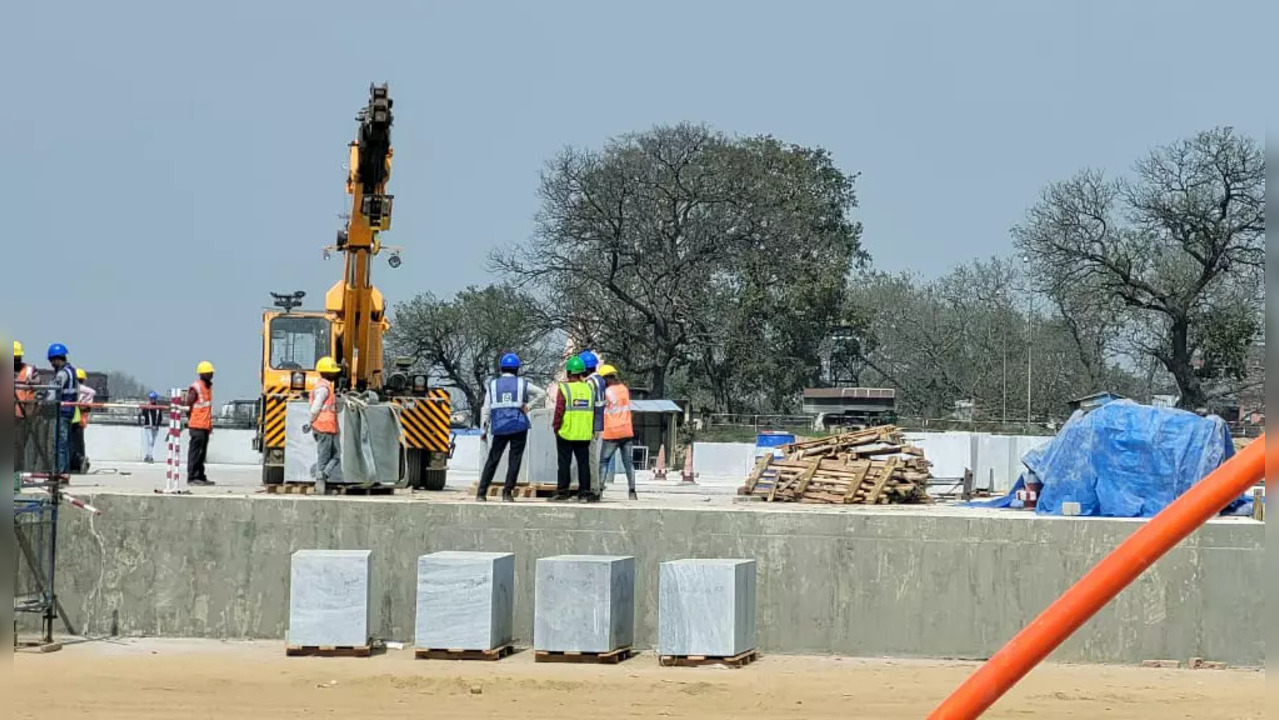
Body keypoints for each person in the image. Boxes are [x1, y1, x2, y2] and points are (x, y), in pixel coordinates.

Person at [476, 352, 546, 502]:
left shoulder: (493, 385)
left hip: (500, 426)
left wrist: (484, 428)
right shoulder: (522, 384)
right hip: (518, 426)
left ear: (501, 368)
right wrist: (528, 406)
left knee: (493, 459)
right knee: (514, 460)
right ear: (517, 369)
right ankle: (507, 493)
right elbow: (542, 393)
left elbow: (486, 408)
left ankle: (481, 493)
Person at [550, 355, 594, 502]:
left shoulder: (564, 388)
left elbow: (559, 410)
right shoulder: (589, 388)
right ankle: (584, 493)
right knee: (583, 464)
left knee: (564, 463)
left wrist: (556, 427)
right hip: (584, 433)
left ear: (569, 373)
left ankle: (563, 491)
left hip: (566, 432)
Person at [597, 365, 638, 500]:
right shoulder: (624, 389)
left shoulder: (607, 393)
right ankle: (632, 491)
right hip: (626, 430)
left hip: (612, 432)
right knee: (628, 463)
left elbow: (600, 407)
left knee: (604, 462)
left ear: (607, 378)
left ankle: (599, 490)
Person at [302, 356, 342, 492]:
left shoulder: (326, 387)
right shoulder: (323, 389)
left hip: (330, 427)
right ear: (328, 373)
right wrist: (310, 422)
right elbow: (315, 408)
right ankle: (320, 485)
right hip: (323, 427)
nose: (336, 374)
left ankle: (324, 475)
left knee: (336, 456)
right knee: (324, 457)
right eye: (334, 372)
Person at [44, 343, 79, 476]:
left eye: (52, 361)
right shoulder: (72, 371)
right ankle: (63, 470)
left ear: (56, 359)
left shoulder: (62, 374)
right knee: (64, 443)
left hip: (61, 412)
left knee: (59, 444)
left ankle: (61, 471)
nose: (51, 364)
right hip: (69, 411)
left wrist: (44, 401)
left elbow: (53, 394)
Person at [579, 350, 607, 499]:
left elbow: (587, 405)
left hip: (590, 424)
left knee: (590, 458)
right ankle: (593, 487)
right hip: (597, 423)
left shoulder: (589, 383)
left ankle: (594, 490)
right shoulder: (600, 380)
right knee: (592, 457)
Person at [184, 360, 215, 486]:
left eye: (211, 373)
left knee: (202, 454)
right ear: (202, 374)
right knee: (195, 453)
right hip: (197, 426)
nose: (211, 375)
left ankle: (201, 476)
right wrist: (192, 418)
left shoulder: (208, 387)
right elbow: (188, 404)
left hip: (205, 425)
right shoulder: (196, 387)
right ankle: (192, 477)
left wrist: (209, 424)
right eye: (209, 373)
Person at [14, 340, 37, 472]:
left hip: (23, 415)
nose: (16, 361)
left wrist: (31, 411)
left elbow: (38, 391)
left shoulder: (30, 371)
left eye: (17, 358)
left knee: (18, 445)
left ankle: (16, 472)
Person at [70, 367, 96, 473]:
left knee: (76, 443)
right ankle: (79, 461)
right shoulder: (81, 390)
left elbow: (92, 392)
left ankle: (79, 462)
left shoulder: (78, 388)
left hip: (78, 420)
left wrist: (81, 401)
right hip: (80, 420)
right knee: (78, 442)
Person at [139, 391, 164, 463]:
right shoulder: (146, 407)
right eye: (151, 398)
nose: (152, 400)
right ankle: (150, 457)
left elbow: (160, 417)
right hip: (148, 427)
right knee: (149, 441)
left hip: (155, 428)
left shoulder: (158, 408)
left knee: (152, 442)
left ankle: (147, 455)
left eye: (153, 399)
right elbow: (143, 415)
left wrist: (157, 425)